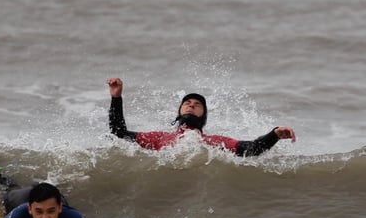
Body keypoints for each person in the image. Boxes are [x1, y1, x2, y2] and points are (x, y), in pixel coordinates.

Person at [107, 77, 296, 156]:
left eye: (198, 105)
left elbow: (252, 149)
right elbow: (118, 132)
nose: (191, 105)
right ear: (179, 112)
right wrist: (116, 98)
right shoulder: (158, 138)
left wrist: (275, 134)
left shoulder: (215, 142)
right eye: (187, 103)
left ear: (203, 116)